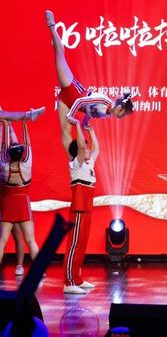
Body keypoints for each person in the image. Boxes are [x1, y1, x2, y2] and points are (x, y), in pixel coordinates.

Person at [45, 10, 134, 153]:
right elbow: (81, 101)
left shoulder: (107, 114)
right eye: (123, 114)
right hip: (72, 89)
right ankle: (52, 27)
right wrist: (71, 115)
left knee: (65, 131)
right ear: (119, 108)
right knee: (59, 56)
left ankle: (73, 162)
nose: (122, 117)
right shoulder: (104, 101)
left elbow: (88, 111)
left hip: (68, 102)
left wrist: (85, 123)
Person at [63, 117, 99, 294]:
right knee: (74, 245)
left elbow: (97, 149)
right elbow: (81, 146)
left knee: (82, 244)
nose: (88, 148)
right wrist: (77, 125)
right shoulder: (75, 164)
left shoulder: (89, 163)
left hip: (87, 208)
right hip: (78, 208)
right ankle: (68, 281)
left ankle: (77, 278)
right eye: (85, 146)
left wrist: (91, 132)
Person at [0, 118, 40, 278]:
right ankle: (39, 270)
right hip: (22, 203)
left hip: (8, 203)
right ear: (22, 154)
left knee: (2, 241)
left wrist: (5, 125)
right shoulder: (26, 166)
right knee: (31, 240)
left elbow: (3, 146)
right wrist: (24, 122)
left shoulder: (4, 167)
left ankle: (20, 265)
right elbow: (28, 145)